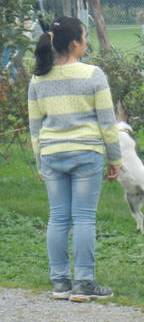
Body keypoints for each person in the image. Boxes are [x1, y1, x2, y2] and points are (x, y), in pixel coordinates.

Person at [28, 16, 122, 302]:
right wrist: (114, 157)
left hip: (52, 153)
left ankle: (59, 283)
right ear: (74, 43)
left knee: (58, 217)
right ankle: (84, 283)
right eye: (84, 37)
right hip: (86, 153)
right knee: (83, 217)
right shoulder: (93, 74)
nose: (86, 41)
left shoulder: (38, 78)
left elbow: (34, 125)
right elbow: (107, 121)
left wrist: (40, 160)